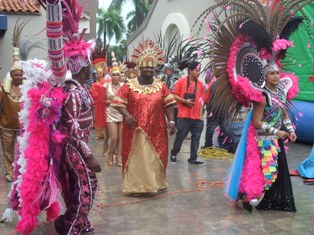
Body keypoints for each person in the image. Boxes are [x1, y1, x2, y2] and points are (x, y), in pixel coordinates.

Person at [111, 39, 176, 194]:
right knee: (138, 159)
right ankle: (136, 187)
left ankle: (153, 184)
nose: (149, 70)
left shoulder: (161, 86)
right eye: (146, 67)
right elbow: (118, 102)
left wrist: (172, 120)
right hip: (135, 130)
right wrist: (126, 115)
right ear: (140, 67)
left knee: (153, 158)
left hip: (157, 130)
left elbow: (169, 104)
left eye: (151, 67)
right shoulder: (129, 85)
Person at [170, 61, 210, 165]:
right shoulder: (181, 82)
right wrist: (184, 101)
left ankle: (193, 158)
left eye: (199, 70)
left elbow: (202, 101)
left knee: (196, 139)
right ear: (190, 71)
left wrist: (201, 116)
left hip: (197, 118)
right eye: (196, 70)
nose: (198, 72)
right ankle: (174, 153)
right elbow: (173, 95)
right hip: (184, 117)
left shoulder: (201, 85)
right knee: (180, 137)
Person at [0, 38, 23, 183]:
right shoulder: (3, 88)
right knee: (7, 151)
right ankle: (9, 172)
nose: (19, 77)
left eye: (21, 74)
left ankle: (20, 172)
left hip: (22, 127)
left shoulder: (27, 88)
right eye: (16, 75)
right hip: (6, 126)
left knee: (22, 151)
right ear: (11, 75)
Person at [105, 64, 123, 167]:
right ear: (111, 76)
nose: (116, 77)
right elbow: (101, 100)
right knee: (114, 137)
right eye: (114, 75)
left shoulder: (124, 86)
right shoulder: (106, 86)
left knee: (122, 138)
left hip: (122, 113)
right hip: (111, 113)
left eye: (117, 75)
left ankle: (119, 157)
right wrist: (112, 100)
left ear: (120, 76)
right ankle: (110, 154)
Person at [90, 45, 108, 140]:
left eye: (99, 72)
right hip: (97, 104)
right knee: (97, 118)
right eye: (97, 72)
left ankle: (106, 132)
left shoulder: (108, 81)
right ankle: (99, 133)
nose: (98, 73)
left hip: (106, 103)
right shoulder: (95, 84)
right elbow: (93, 94)